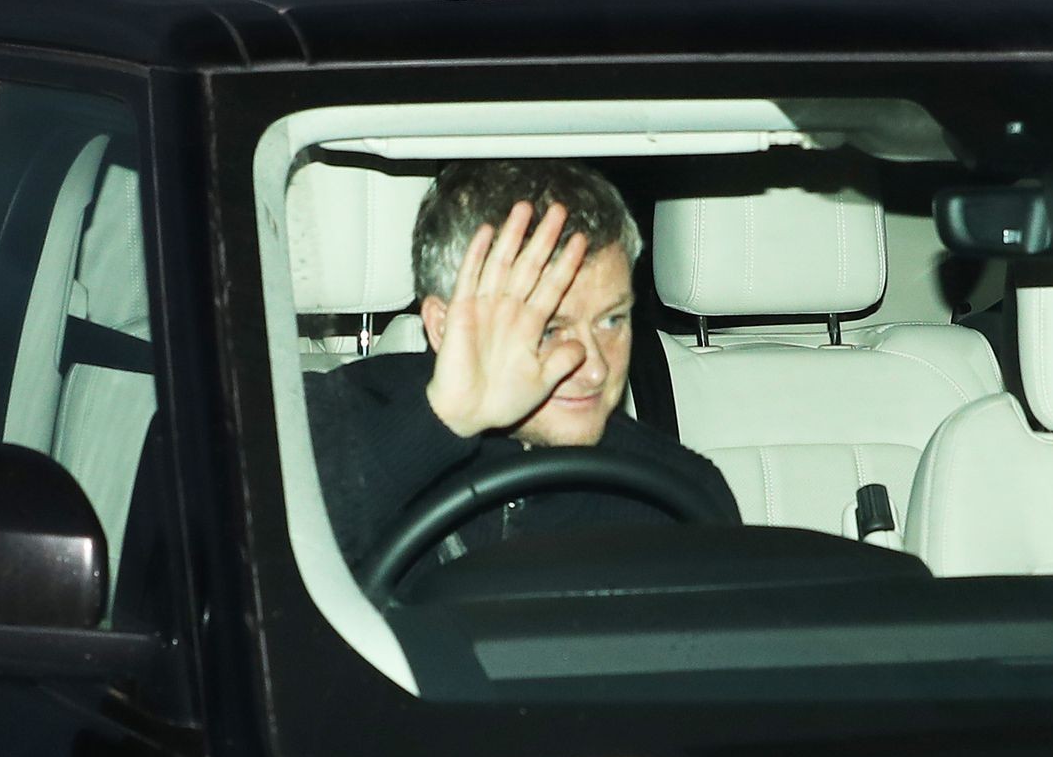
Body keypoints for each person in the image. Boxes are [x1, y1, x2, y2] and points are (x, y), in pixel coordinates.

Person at [305, 159, 740, 579]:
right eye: (549, 328)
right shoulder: (322, 426)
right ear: (443, 327)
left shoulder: (679, 493)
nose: (594, 370)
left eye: (612, 320)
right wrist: (441, 420)